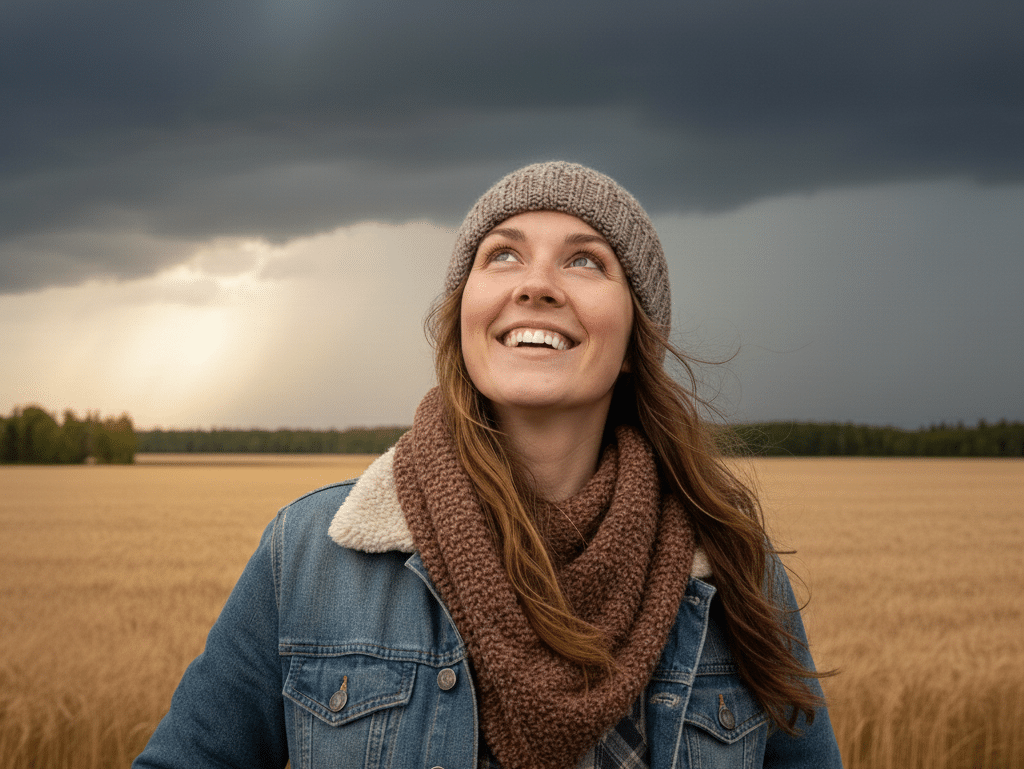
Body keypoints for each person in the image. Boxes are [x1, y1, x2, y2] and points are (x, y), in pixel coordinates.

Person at [134, 161, 842, 769]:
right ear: (464, 315)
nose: (535, 285)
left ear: (634, 338)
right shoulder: (310, 555)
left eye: (585, 259)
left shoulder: (729, 568)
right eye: (502, 254)